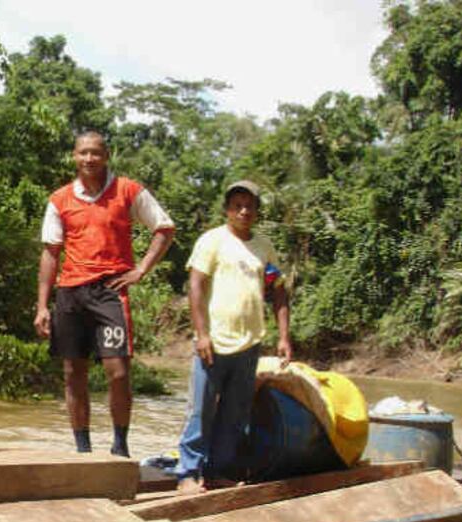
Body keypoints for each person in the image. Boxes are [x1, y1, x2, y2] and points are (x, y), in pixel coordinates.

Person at [33, 131, 175, 457]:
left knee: (118, 372)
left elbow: (164, 229)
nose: (89, 159)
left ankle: (120, 446)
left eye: (95, 153)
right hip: (69, 294)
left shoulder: (127, 191)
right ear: (74, 156)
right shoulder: (59, 200)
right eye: (83, 152)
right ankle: (83, 451)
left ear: (106, 156)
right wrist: (42, 306)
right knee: (73, 372)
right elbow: (51, 253)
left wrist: (141, 269)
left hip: (110, 292)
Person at [173, 180, 291, 494]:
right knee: (201, 409)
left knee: (235, 413)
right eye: (237, 205)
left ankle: (218, 471)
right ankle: (188, 473)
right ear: (227, 210)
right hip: (213, 342)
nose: (243, 211)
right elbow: (195, 286)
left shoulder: (264, 247)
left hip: (249, 343)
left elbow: (278, 292)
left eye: (249, 206)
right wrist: (201, 334)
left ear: (256, 211)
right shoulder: (212, 241)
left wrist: (283, 337)